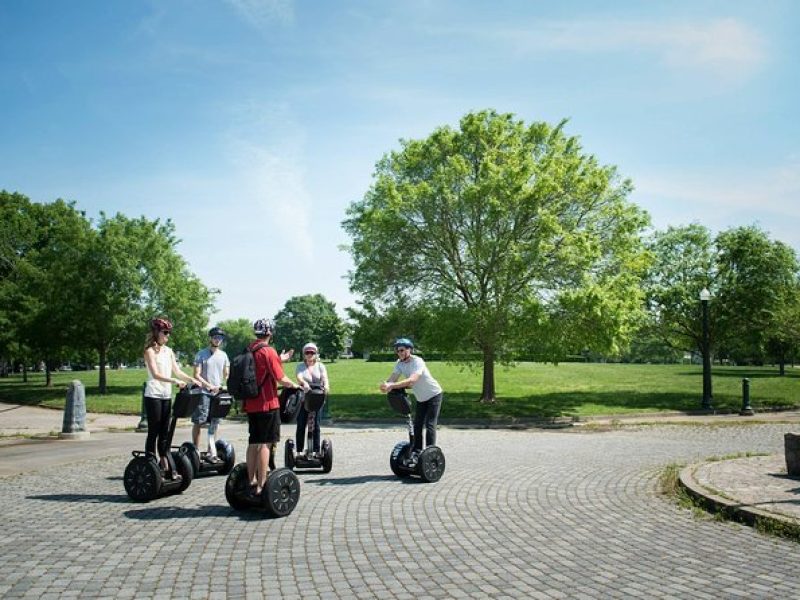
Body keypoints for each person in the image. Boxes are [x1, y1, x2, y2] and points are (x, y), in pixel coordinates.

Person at [244, 318, 301, 497]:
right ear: (270, 333)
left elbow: (262, 369)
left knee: (253, 441)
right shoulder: (268, 351)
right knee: (266, 444)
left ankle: (250, 480)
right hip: (268, 404)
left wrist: (280, 359)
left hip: (250, 403)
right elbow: (280, 378)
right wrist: (295, 385)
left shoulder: (249, 349)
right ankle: (262, 484)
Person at [143, 317, 201, 480]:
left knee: (165, 432)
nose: (168, 336)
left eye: (169, 333)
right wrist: (174, 381)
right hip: (153, 395)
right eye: (165, 332)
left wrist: (192, 380)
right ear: (156, 332)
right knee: (153, 431)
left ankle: (165, 465)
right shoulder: (149, 351)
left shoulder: (168, 351)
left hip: (165, 395)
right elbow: (155, 374)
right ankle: (150, 462)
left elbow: (177, 371)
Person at [380, 338, 443, 465]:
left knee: (430, 424)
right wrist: (386, 385)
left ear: (409, 350)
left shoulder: (417, 361)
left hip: (434, 394)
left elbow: (412, 380)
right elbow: (392, 378)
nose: (400, 353)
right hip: (421, 398)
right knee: (417, 425)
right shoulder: (400, 363)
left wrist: (392, 386)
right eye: (397, 351)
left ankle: (431, 453)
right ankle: (417, 452)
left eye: (402, 350)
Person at [191, 326, 230, 464]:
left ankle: (210, 450)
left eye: (220, 338)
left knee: (214, 422)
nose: (217, 340)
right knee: (199, 421)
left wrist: (225, 385)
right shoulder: (201, 354)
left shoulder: (224, 355)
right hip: (204, 392)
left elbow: (226, 374)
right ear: (210, 338)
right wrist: (208, 386)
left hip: (217, 393)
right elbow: (196, 375)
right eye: (215, 337)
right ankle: (195, 450)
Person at [295, 342, 330, 454]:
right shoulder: (300, 366)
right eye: (307, 352)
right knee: (301, 424)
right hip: (304, 398)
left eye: (312, 352)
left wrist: (326, 386)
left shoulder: (320, 366)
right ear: (304, 354)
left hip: (317, 398)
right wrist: (304, 383)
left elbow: (324, 377)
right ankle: (299, 451)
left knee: (316, 425)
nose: (309, 355)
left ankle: (316, 450)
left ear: (316, 354)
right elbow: (299, 377)